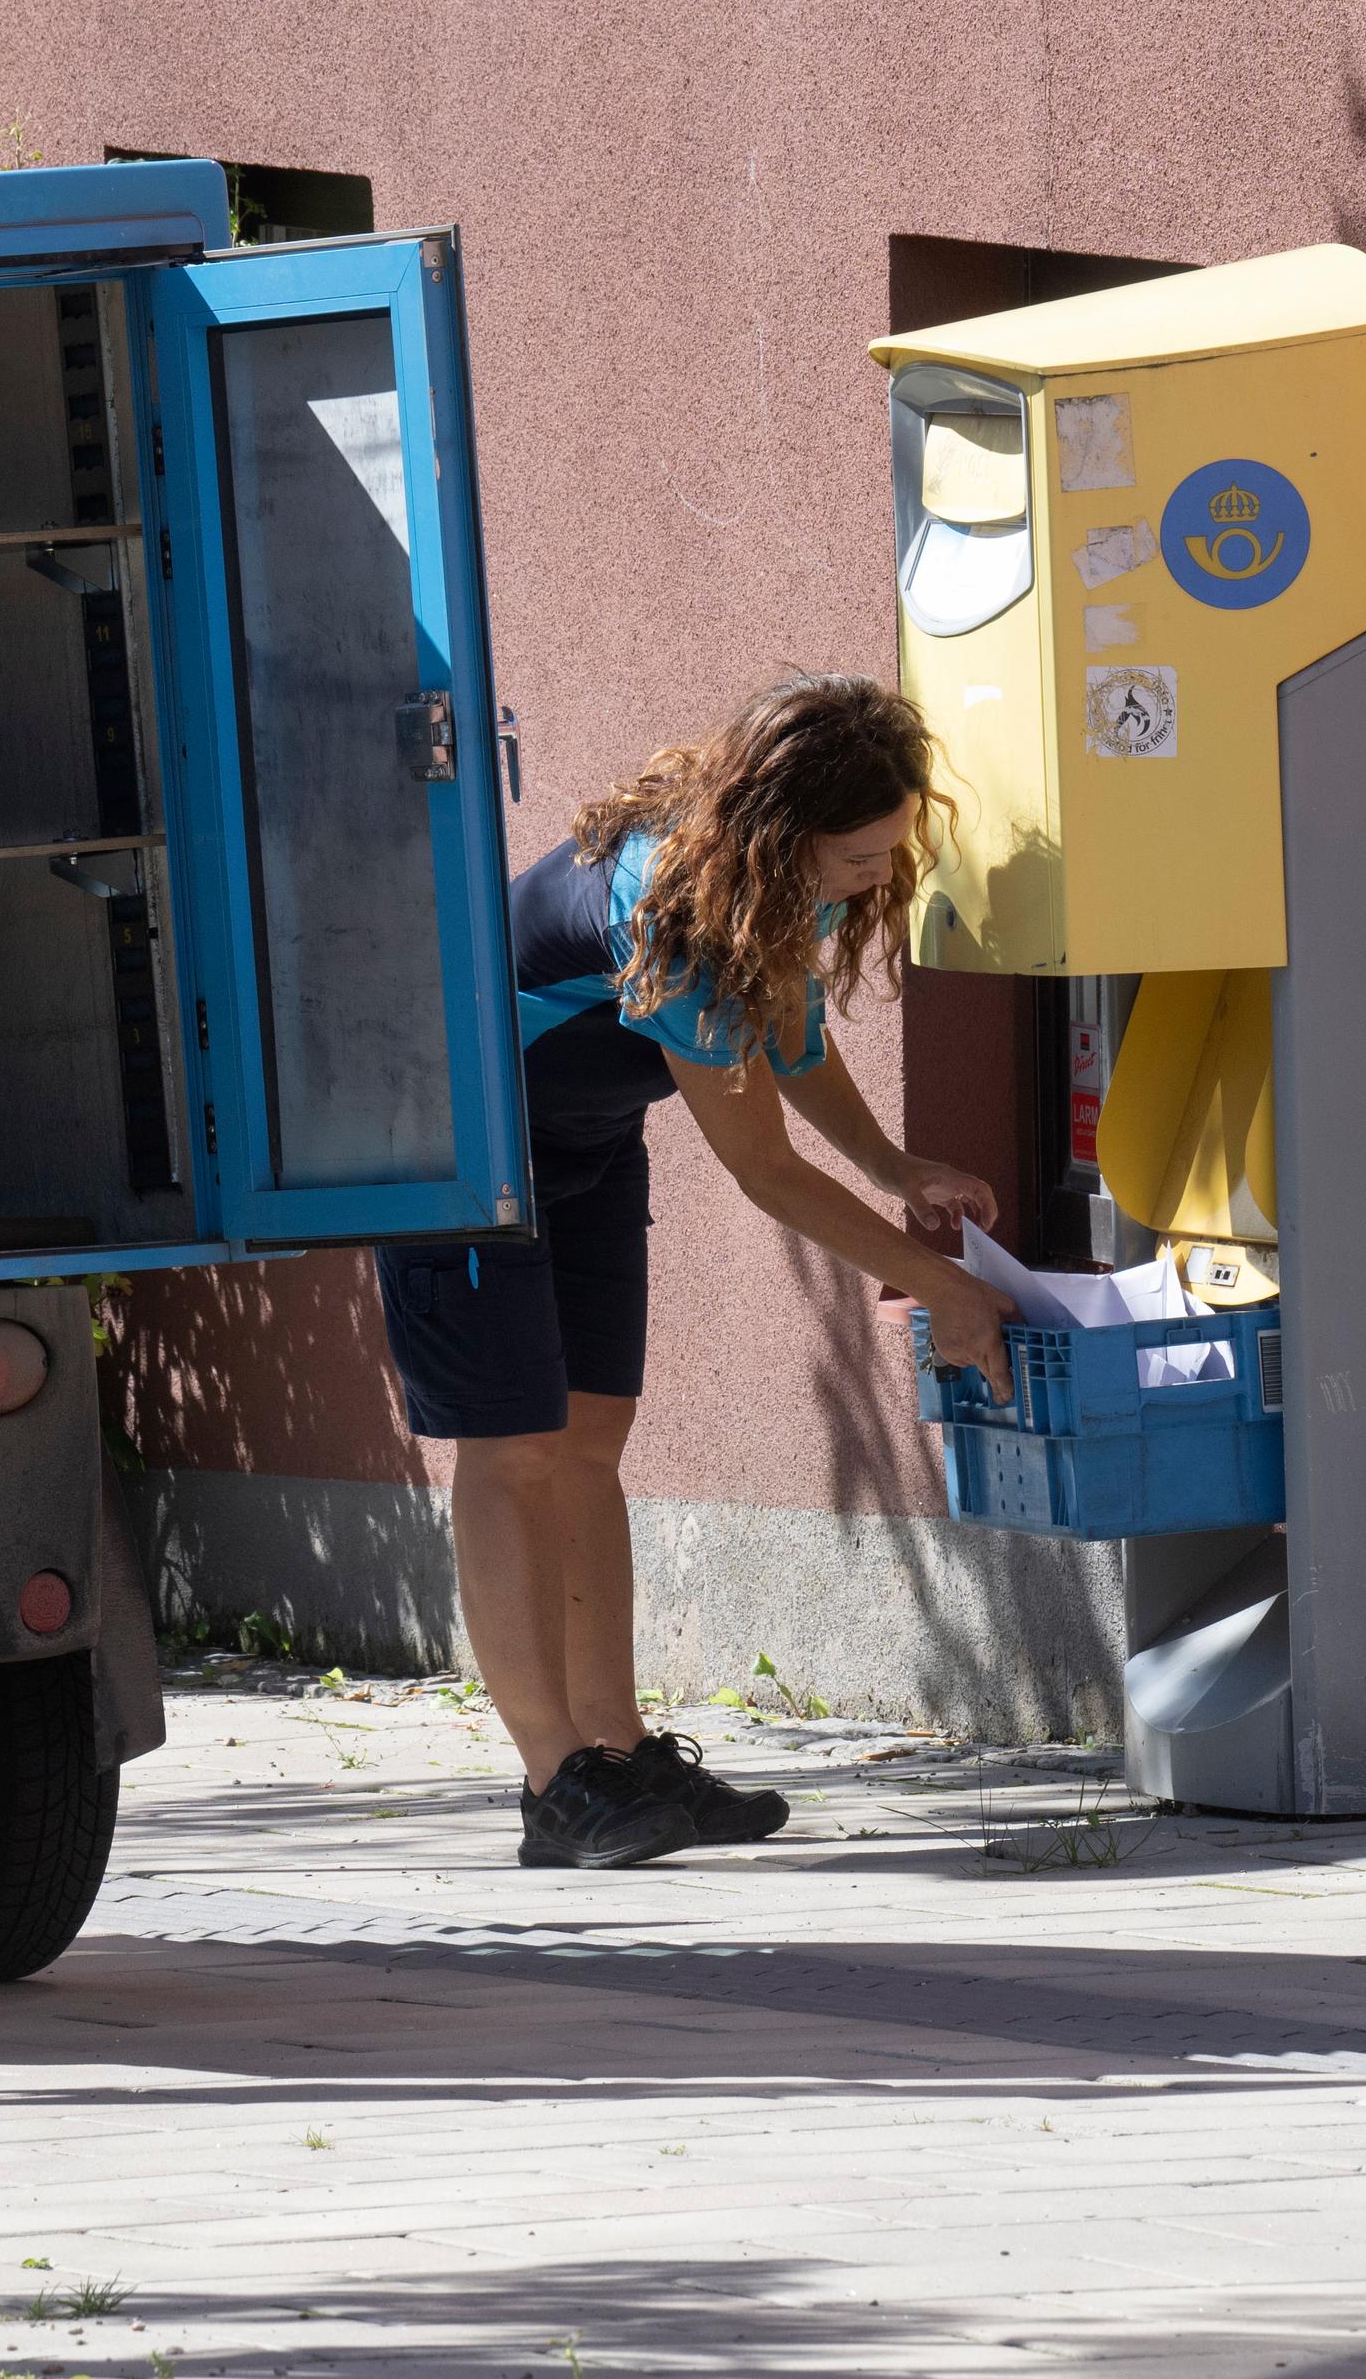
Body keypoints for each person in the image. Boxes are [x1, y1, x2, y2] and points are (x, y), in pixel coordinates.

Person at [378, 673, 1015, 1871]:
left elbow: (786, 1033)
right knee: (511, 1455)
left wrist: (892, 1163)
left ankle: (617, 1754)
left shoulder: (769, 884)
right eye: (861, 858)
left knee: (588, 1444)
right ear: (787, 833)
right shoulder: (675, 901)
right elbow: (765, 1173)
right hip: (455, 1149)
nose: (878, 877)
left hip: (580, 1148)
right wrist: (940, 1287)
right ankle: (555, 1784)